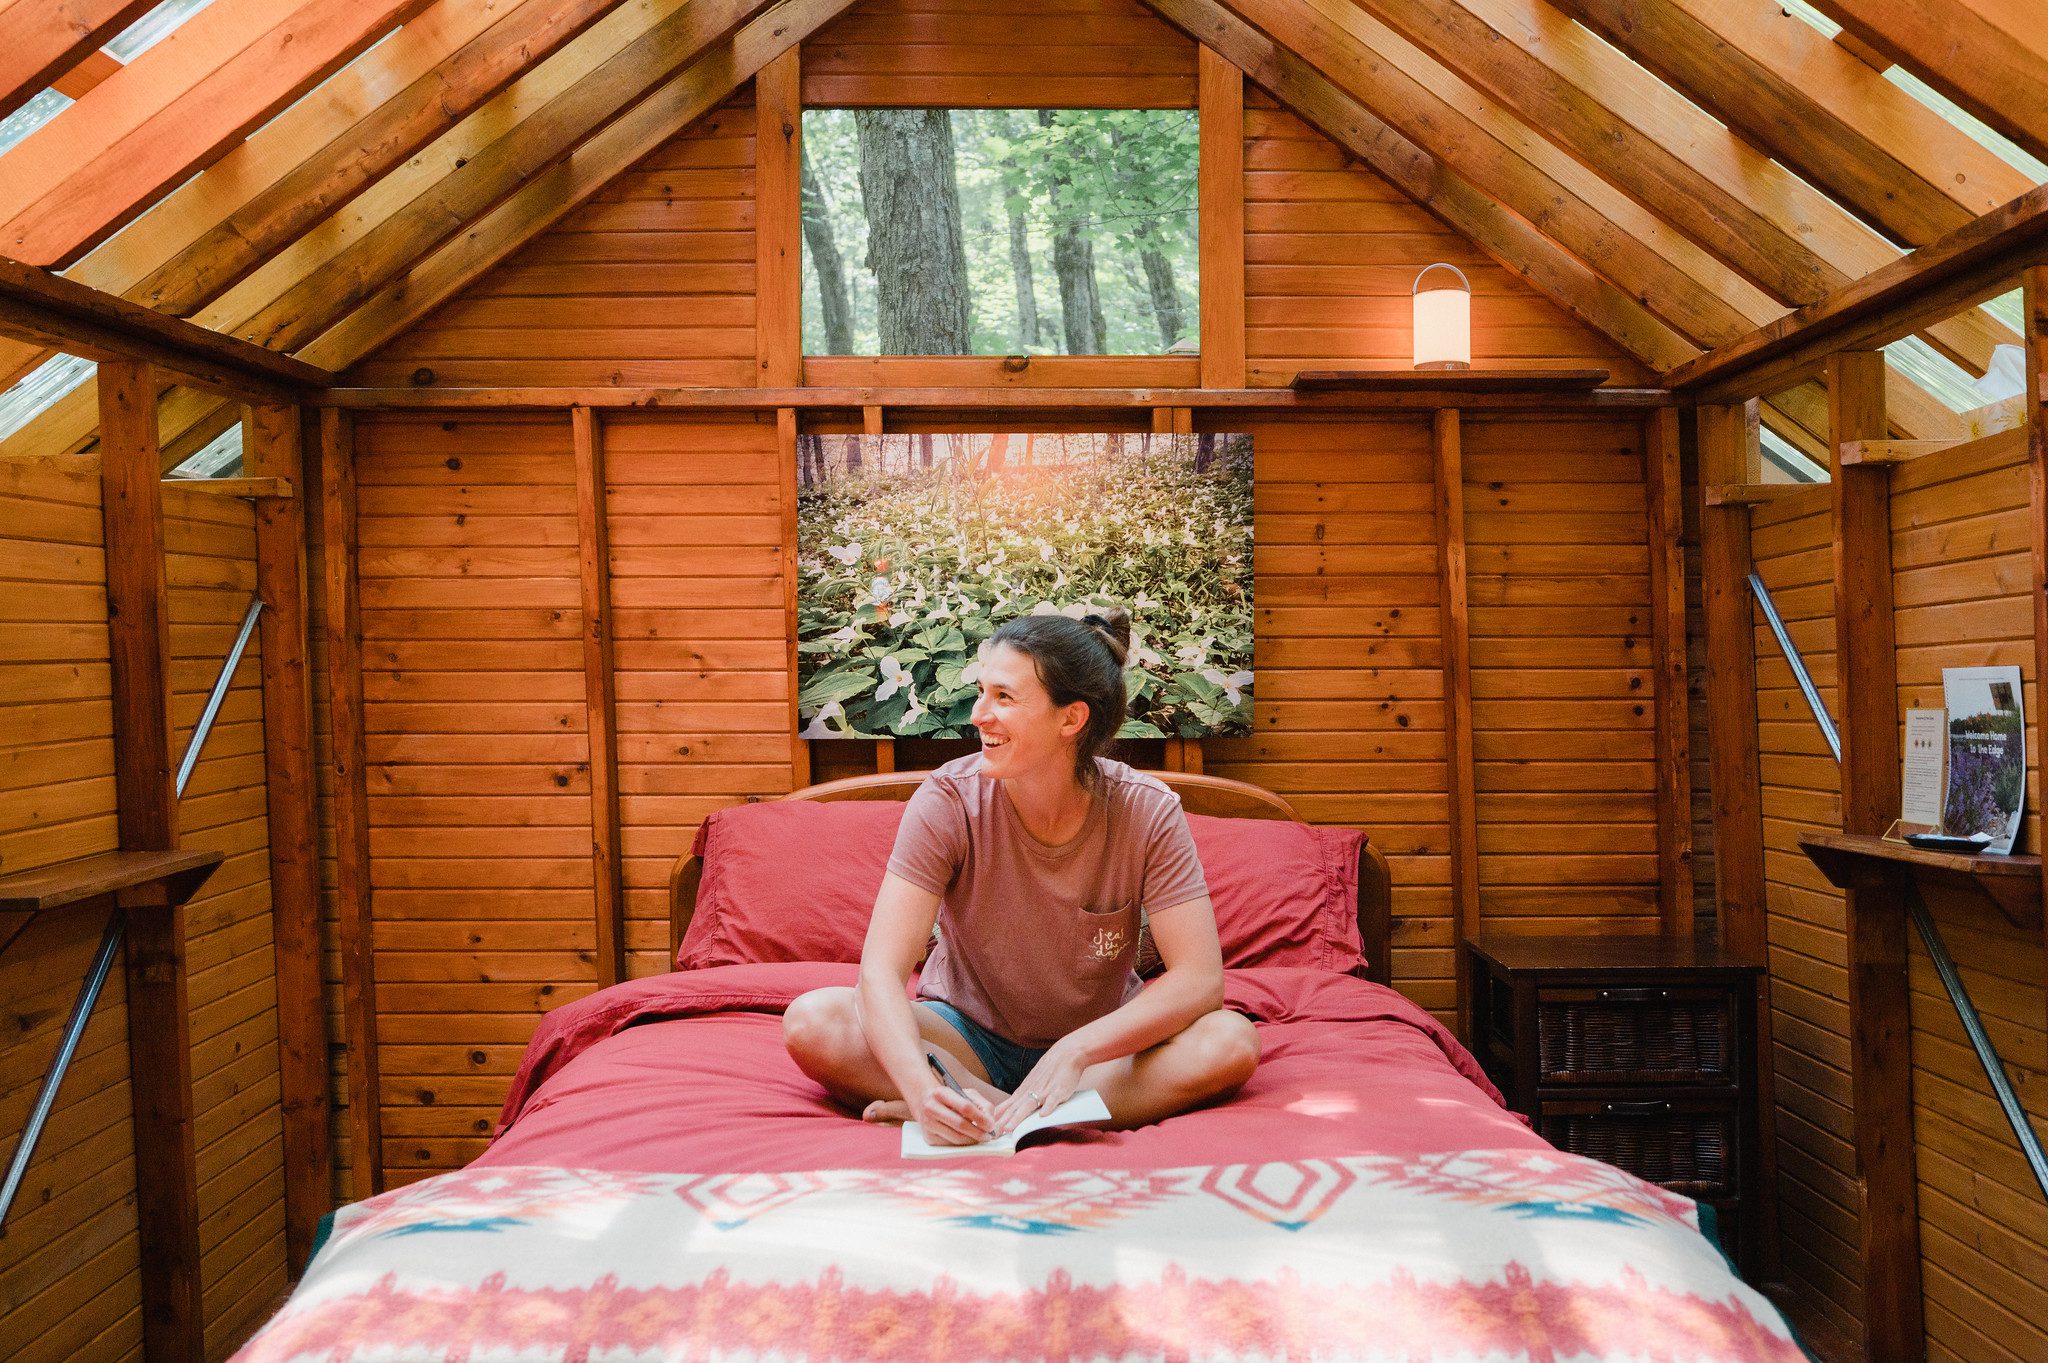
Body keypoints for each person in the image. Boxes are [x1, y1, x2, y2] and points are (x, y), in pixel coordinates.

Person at [782, 606, 1260, 1147]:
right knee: (814, 1021)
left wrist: (1073, 1050)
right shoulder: (948, 801)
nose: (979, 714)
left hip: (1099, 1055)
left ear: (1071, 719)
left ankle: (990, 1115)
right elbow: (880, 973)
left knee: (1229, 1041)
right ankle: (1004, 1112)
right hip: (962, 1042)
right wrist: (920, 1088)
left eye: (1004, 697)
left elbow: (1199, 980)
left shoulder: (1146, 810)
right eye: (982, 692)